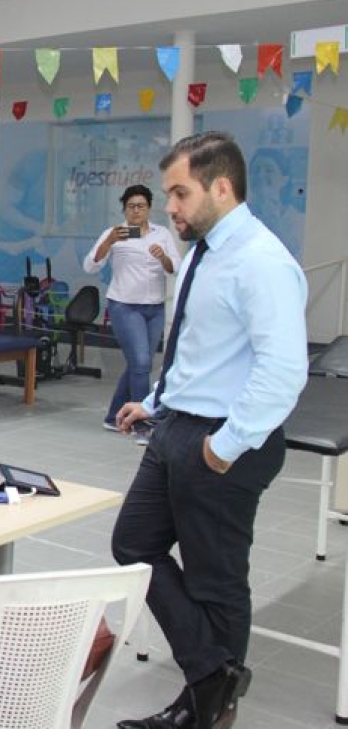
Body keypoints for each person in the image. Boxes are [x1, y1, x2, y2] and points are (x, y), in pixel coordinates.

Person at [111, 133, 308, 729]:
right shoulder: (203, 250)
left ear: (222, 187)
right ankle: (212, 675)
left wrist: (224, 447)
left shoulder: (262, 260)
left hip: (224, 441)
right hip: (177, 426)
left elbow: (283, 371)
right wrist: (153, 401)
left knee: (214, 581)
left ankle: (205, 710)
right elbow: (197, 349)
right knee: (133, 547)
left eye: (179, 193)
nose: (169, 207)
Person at [83, 185, 179, 444]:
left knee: (140, 363)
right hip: (124, 305)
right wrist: (109, 242)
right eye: (131, 206)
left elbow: (174, 268)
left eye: (141, 206)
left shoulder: (162, 234)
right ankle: (143, 426)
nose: (136, 211)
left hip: (155, 307)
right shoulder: (114, 233)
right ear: (124, 209)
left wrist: (163, 258)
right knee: (141, 363)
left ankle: (114, 415)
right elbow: (91, 265)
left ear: (149, 208)